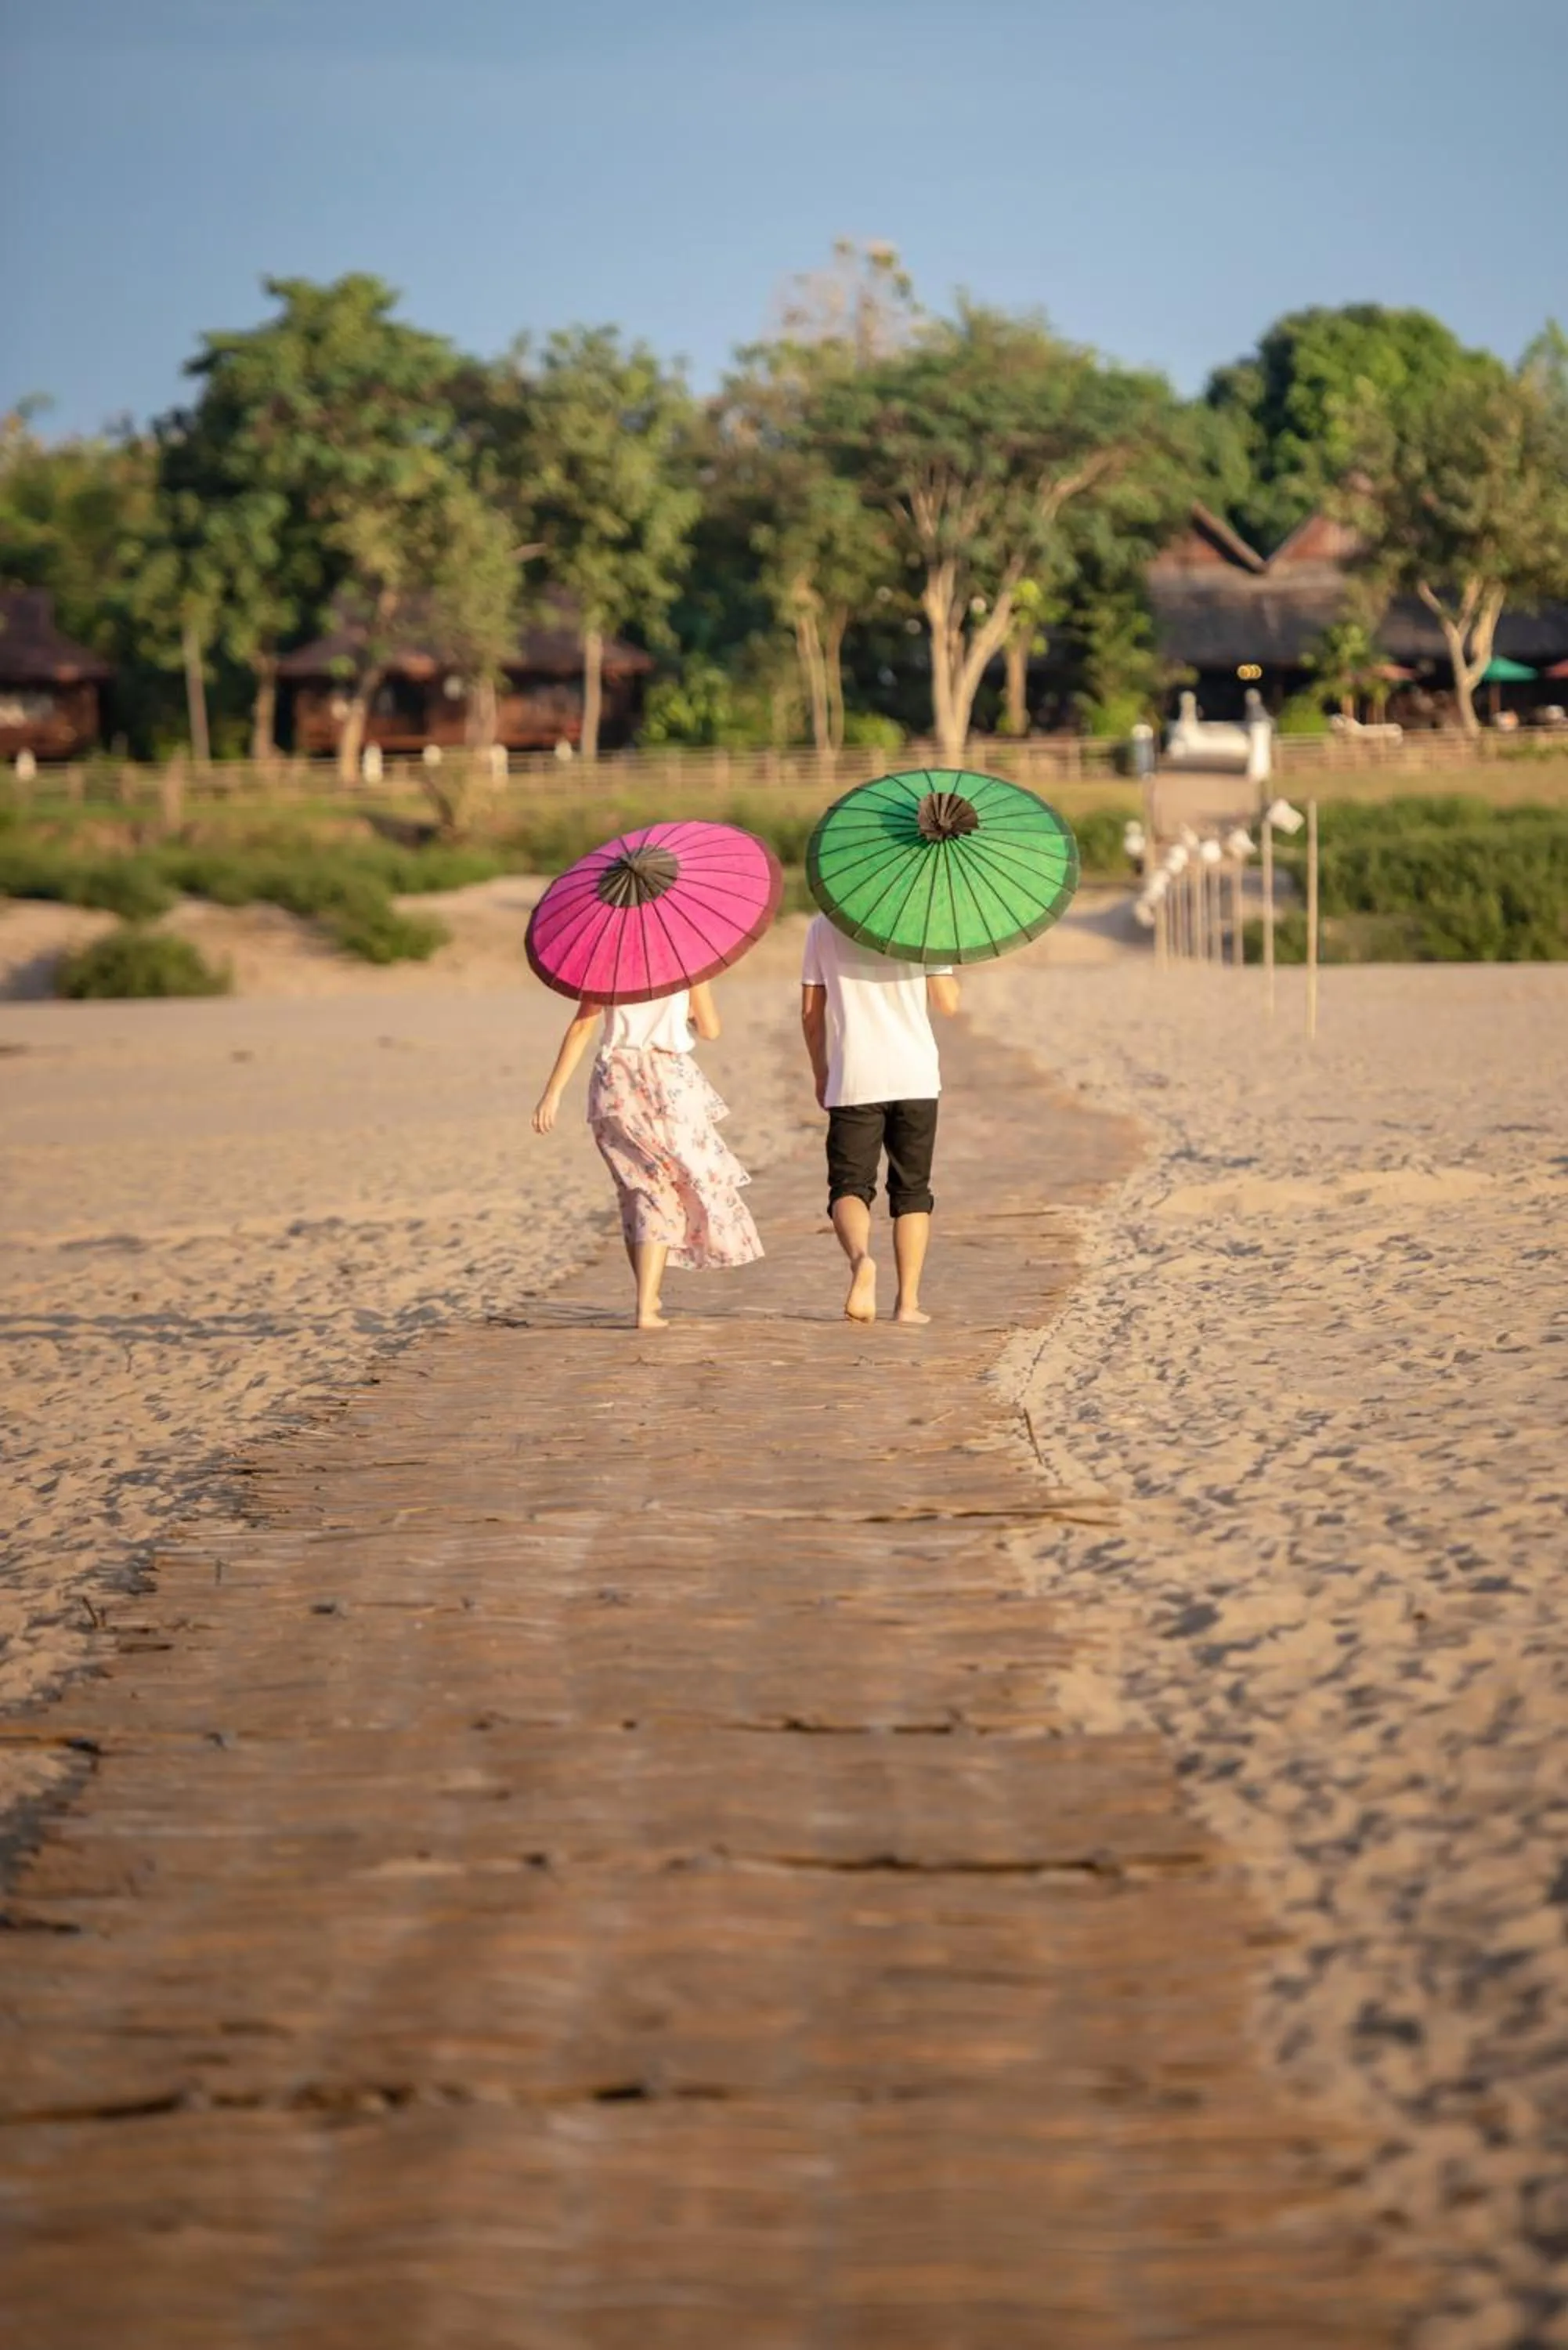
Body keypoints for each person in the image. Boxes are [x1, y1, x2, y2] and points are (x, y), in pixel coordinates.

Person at [533, 981, 761, 1329]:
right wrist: (684, 1012)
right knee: (663, 1190)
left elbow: (582, 1026)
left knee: (637, 1188)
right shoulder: (688, 966)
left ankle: (648, 1297)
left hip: (615, 1082)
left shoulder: (607, 964)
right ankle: (645, 1307)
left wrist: (552, 1093)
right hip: (669, 1081)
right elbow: (711, 1030)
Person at [800, 916, 961, 1326]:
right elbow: (949, 1003)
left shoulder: (823, 927)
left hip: (855, 1075)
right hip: (916, 1075)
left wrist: (821, 1071)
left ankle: (862, 1260)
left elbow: (810, 1014)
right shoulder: (924, 923)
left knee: (849, 1185)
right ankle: (907, 1303)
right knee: (912, 1191)